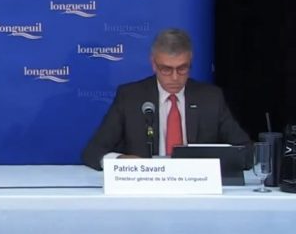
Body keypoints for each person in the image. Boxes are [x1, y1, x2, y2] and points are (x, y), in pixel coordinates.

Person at [81, 28, 250, 170]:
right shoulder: (130, 97)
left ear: (190, 62)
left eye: (182, 68)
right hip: (145, 188)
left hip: (197, 187)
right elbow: (93, 152)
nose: (175, 77)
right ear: (153, 64)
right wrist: (120, 161)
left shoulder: (210, 98)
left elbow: (246, 151)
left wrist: (211, 165)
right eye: (166, 69)